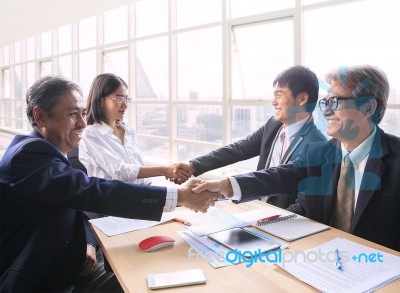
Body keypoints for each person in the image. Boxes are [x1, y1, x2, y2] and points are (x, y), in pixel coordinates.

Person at [0, 75, 219, 292]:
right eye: (72, 114)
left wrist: (89, 243)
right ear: (40, 117)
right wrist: (179, 197)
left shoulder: (50, 155)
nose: (82, 123)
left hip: (71, 265)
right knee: (142, 280)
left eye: (83, 113)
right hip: (38, 281)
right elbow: (90, 191)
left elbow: (72, 204)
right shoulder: (28, 155)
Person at [193, 65, 400, 252]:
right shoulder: (319, 154)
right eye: (325, 102)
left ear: (368, 107)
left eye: (336, 101)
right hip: (322, 258)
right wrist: (225, 186)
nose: (326, 110)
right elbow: (279, 176)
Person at [175, 65, 326, 208]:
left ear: (302, 99)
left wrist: (264, 224)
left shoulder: (317, 145)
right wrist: (193, 166)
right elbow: (239, 149)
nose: (274, 102)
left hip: (281, 224)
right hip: (255, 209)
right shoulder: (273, 125)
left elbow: (304, 206)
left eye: (279, 95)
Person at [79, 73, 188, 186]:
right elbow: (120, 171)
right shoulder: (90, 134)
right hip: (112, 200)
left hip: (139, 196)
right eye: (119, 98)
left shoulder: (129, 131)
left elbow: (140, 176)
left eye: (126, 99)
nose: (125, 105)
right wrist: (165, 170)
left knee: (190, 195)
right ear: (101, 101)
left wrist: (169, 184)